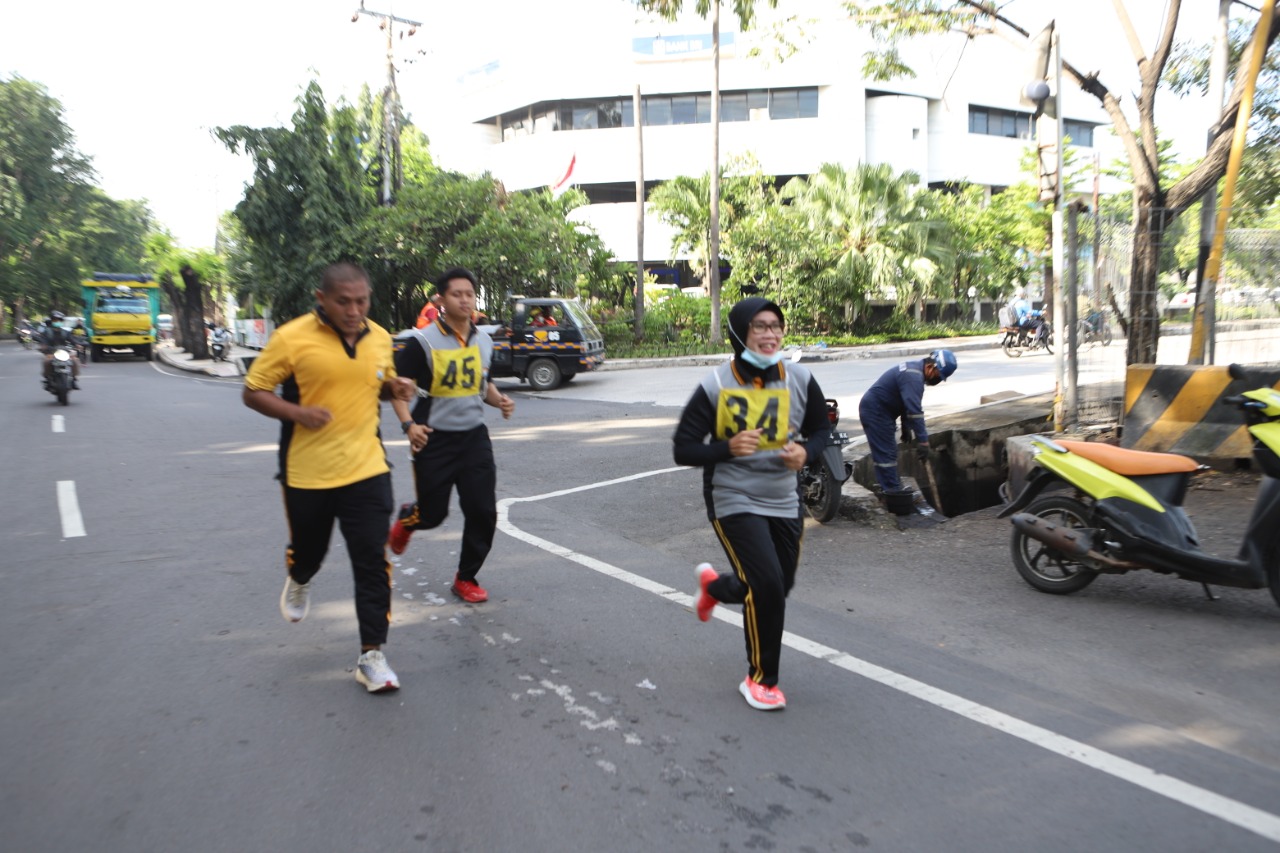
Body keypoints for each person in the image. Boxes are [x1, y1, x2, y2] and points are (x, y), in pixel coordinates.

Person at [242, 262, 416, 694]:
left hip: (367, 468)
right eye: (344, 302)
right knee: (310, 551)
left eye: (362, 301)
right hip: (308, 473)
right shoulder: (292, 337)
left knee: (372, 563)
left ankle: (371, 655)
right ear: (322, 299)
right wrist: (297, 413)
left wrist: (392, 388)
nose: (355, 310)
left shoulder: (379, 338)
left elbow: (373, 381)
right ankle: (299, 576)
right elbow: (253, 391)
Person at [672, 297, 832, 711]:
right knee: (767, 585)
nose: (770, 334)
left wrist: (807, 453)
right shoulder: (717, 385)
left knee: (779, 585)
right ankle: (761, 679)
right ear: (741, 332)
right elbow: (683, 449)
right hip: (732, 496)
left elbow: (820, 430)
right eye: (759, 326)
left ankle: (715, 587)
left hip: (783, 497)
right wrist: (726, 448)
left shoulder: (799, 377)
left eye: (776, 325)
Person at [387, 267, 515, 603]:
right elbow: (400, 392)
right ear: (441, 300)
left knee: (483, 511)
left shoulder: (483, 339)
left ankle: (465, 577)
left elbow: (480, 384)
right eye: (456, 294)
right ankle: (408, 518)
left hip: (474, 438)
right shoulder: (422, 342)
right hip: (434, 438)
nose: (464, 299)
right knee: (432, 514)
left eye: (469, 294)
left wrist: (499, 399)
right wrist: (408, 425)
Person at [857, 349, 957, 497]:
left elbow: (905, 405)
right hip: (876, 412)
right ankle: (892, 492)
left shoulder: (915, 372)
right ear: (931, 367)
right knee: (886, 454)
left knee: (887, 454)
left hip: (882, 412)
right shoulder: (913, 377)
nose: (938, 380)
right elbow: (915, 412)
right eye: (938, 376)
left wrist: (906, 427)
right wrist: (923, 441)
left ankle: (889, 488)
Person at [37, 311, 81, 389]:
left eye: (59, 320)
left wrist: (77, 345)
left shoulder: (66, 332)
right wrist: (43, 346)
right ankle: (47, 379)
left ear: (62, 321)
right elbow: (43, 341)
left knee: (75, 361)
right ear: (52, 321)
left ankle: (74, 380)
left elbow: (72, 340)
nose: (57, 321)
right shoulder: (47, 332)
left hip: (64, 352)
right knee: (46, 362)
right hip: (51, 352)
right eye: (55, 320)